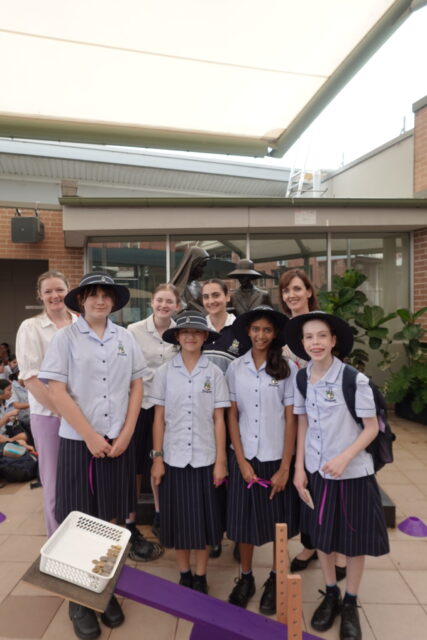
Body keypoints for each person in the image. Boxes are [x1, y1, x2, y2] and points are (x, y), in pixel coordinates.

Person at [39, 272, 146, 640]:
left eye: (106, 295)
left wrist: (127, 432)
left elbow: (137, 384)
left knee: (111, 519)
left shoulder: (125, 338)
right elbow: (57, 391)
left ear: (114, 301)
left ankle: (101, 588)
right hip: (79, 442)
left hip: (118, 442)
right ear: (81, 301)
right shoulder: (65, 338)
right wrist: (89, 435)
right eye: (93, 295)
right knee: (78, 520)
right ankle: (78, 600)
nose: (100, 301)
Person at [285, 311, 389, 640]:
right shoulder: (302, 379)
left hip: (353, 474)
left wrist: (345, 457)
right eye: (309, 337)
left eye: (321, 336)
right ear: (302, 343)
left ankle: (351, 602)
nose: (315, 342)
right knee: (322, 535)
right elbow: (302, 423)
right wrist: (299, 469)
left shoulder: (353, 380)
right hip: (317, 473)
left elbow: (371, 428)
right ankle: (330, 592)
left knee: (354, 540)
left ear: (333, 341)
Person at [225, 306, 299, 615]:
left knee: (277, 523)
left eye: (267, 330)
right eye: (256, 329)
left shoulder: (287, 368)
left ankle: (275, 576)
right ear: (248, 331)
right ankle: (246, 577)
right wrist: (241, 462)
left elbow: (291, 418)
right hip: (245, 458)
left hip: (274, 457)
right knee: (244, 523)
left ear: (275, 333)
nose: (261, 335)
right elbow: (232, 415)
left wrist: (285, 467)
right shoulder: (235, 368)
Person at [150, 311, 230, 594]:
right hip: (173, 459)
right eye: (185, 332)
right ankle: (184, 572)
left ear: (205, 336)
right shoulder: (164, 373)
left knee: (204, 521)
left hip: (205, 459)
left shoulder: (214, 373)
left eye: (197, 332)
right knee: (179, 521)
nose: (191, 337)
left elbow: (219, 419)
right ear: (177, 337)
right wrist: (157, 459)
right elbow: (159, 419)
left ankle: (201, 574)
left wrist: (221, 461)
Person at [279, 269, 347, 581]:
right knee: (303, 484)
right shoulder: (283, 332)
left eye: (297, 288)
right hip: (293, 419)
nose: (291, 295)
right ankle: (310, 545)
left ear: (308, 291)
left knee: (330, 487)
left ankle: (339, 549)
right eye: (286, 290)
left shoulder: (323, 326)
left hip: (325, 421)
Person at [15, 270, 77, 536]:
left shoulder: (81, 323)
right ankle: (56, 540)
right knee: (53, 483)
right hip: (49, 415)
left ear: (69, 290)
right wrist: (63, 411)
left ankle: (79, 535)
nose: (55, 295)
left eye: (59, 289)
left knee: (78, 481)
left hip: (83, 416)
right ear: (39, 295)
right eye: (48, 291)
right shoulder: (31, 327)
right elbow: (30, 378)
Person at [127, 283, 180, 550]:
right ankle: (130, 521)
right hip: (141, 406)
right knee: (136, 466)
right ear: (152, 302)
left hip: (169, 409)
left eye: (169, 301)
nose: (163, 305)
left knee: (160, 462)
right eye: (159, 300)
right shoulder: (133, 331)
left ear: (177, 306)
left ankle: (161, 515)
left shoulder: (180, 333)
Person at [201, 278, 247, 560]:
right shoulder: (199, 328)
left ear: (227, 296)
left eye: (216, 295)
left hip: (238, 416)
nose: (211, 301)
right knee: (214, 478)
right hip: (208, 418)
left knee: (237, 479)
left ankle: (239, 535)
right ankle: (215, 533)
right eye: (206, 297)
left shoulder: (240, 329)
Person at [170, 246, 209, 312]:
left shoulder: (197, 285)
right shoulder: (176, 289)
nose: (203, 270)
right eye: (201, 266)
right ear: (193, 265)